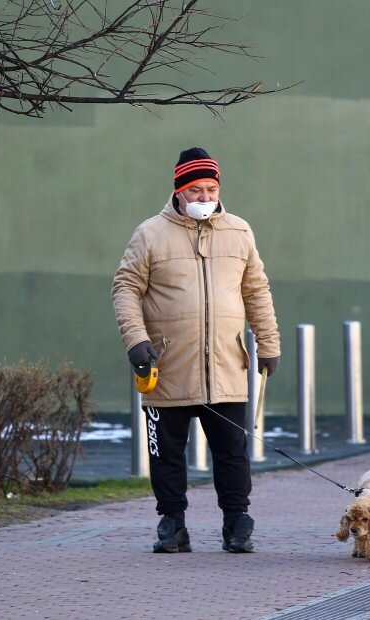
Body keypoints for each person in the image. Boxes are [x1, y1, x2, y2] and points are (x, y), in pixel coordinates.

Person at [111, 147, 281, 553]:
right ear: (179, 192)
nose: (205, 198)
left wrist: (269, 343)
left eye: (210, 189)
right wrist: (136, 341)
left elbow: (256, 290)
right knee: (167, 454)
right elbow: (125, 289)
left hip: (226, 366)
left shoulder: (239, 231)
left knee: (233, 452)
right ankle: (173, 525)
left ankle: (236, 522)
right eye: (195, 190)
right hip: (166, 365)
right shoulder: (149, 233)